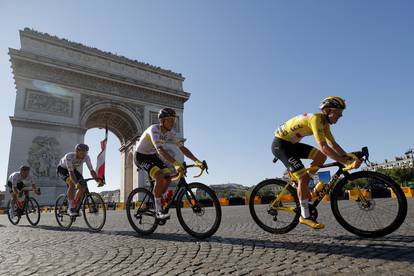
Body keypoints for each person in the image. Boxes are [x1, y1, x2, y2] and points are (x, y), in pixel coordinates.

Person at [272, 96, 361, 229]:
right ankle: (304, 216)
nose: (340, 116)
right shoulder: (315, 119)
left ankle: (307, 187)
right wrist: (343, 161)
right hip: (281, 145)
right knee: (303, 177)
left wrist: (347, 157)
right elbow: (324, 147)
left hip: (291, 144)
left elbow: (332, 144)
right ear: (329, 111)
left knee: (320, 157)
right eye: (339, 112)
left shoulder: (324, 123)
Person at [134, 108, 206, 220]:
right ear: (162, 120)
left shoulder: (170, 133)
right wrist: (176, 164)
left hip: (152, 155)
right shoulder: (154, 129)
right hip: (141, 156)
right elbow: (160, 150)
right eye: (170, 121)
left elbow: (182, 148)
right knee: (159, 175)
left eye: (174, 121)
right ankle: (158, 211)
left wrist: (196, 160)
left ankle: (159, 198)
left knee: (167, 177)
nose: (173, 123)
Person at [57, 143, 101, 216]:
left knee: (83, 186)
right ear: (77, 151)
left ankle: (76, 206)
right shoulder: (69, 156)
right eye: (82, 153)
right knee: (72, 183)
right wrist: (76, 183)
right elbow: (70, 172)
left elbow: (91, 170)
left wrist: (97, 181)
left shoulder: (86, 157)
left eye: (85, 153)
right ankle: (70, 207)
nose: (83, 155)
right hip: (62, 170)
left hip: (73, 170)